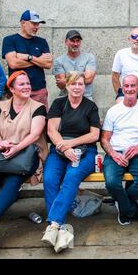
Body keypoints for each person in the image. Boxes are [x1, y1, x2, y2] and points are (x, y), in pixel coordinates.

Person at [42, 71, 100, 253]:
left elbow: (94, 134)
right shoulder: (59, 103)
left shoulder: (90, 106)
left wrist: (71, 144)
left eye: (80, 84)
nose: (76, 87)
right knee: (50, 179)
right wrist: (64, 148)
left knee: (71, 177)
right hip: (60, 150)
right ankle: (58, 226)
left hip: (85, 151)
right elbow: (51, 131)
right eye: (73, 84)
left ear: (85, 86)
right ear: (66, 86)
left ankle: (54, 225)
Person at [0, 71, 47, 249]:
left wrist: (16, 147)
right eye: (22, 84)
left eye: (28, 83)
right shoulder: (0, 106)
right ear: (12, 88)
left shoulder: (37, 107)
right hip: (1, 155)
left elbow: (35, 134)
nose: (27, 87)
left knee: (13, 180)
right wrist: (0, 143)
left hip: (26, 156)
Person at [101, 74, 138, 226]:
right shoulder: (113, 111)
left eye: (133, 86)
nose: (130, 89)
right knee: (112, 183)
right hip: (115, 153)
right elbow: (105, 139)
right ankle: (132, 210)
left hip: (137, 153)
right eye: (127, 86)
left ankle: (122, 203)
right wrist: (113, 154)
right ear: (122, 88)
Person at [2, 10, 52, 109]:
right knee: (17, 122)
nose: (37, 27)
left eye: (38, 24)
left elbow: (48, 64)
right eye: (34, 23)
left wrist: (28, 57)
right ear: (23, 23)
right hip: (17, 92)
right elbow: (13, 63)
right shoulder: (10, 40)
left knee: (41, 122)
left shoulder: (42, 42)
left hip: (39, 91)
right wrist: (38, 61)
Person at [53, 30, 97, 101]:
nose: (76, 44)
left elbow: (89, 79)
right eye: (72, 41)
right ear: (66, 42)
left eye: (78, 41)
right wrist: (82, 75)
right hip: (66, 98)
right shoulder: (59, 61)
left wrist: (67, 78)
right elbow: (61, 85)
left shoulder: (89, 57)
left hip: (86, 98)